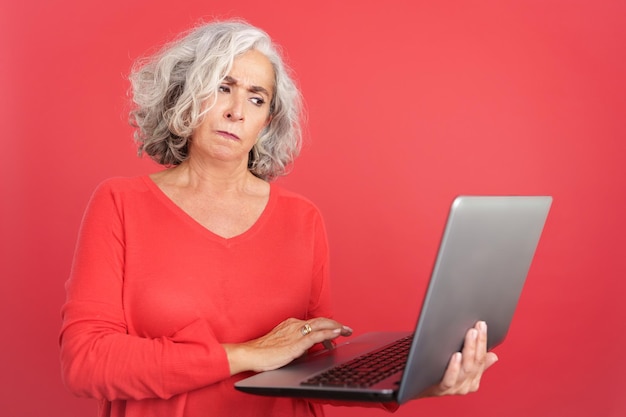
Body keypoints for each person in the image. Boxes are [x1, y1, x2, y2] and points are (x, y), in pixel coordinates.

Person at [59, 19, 498, 417]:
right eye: (222, 87)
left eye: (256, 98)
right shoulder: (120, 202)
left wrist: (419, 382)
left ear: (267, 121)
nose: (237, 111)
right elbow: (86, 362)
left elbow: (309, 370)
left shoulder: (301, 218)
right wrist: (248, 354)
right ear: (185, 94)